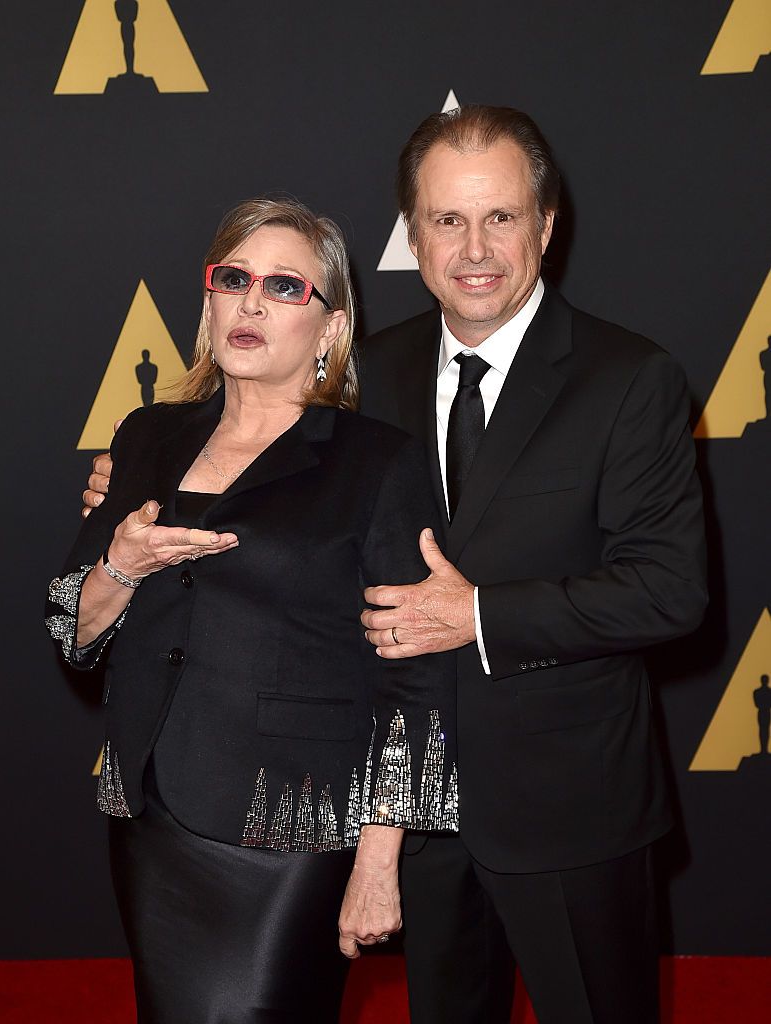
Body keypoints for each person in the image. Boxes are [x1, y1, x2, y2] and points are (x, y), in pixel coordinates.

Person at [82, 107, 709, 1024]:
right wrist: (137, 478)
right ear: (411, 237)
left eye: (499, 217)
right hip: (406, 820)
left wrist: (480, 615)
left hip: (565, 807)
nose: (473, 247)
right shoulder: (367, 371)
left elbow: (669, 590)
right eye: (446, 221)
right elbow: (271, 500)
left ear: (545, 225)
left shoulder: (629, 378)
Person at [48, 197, 457, 1023]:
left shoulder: (377, 462)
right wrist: (121, 566)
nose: (250, 303)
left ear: (331, 328)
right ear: (207, 299)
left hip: (294, 823)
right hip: (154, 814)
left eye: (283, 286)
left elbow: (416, 674)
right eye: (232, 279)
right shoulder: (145, 438)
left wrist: (379, 861)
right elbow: (72, 632)